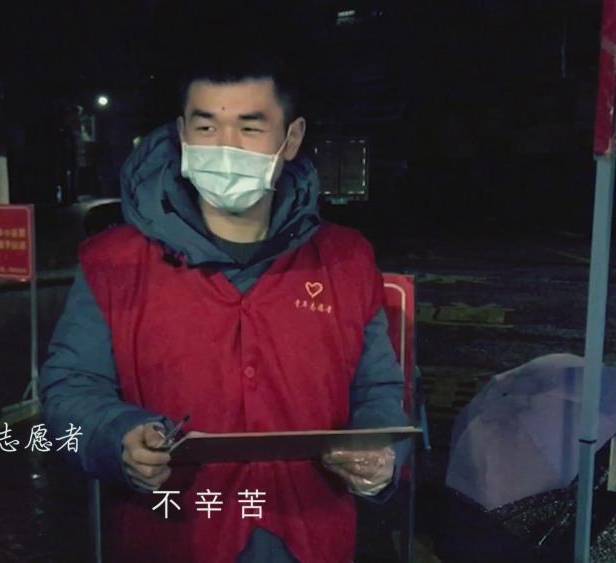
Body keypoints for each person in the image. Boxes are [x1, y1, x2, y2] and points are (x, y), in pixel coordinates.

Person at [39, 44, 412, 563]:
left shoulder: (346, 260)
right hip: (171, 538)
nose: (225, 147)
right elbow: (70, 387)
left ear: (290, 139)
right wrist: (115, 436)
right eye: (206, 126)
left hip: (313, 537)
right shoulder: (113, 263)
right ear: (182, 133)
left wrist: (379, 452)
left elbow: (379, 390)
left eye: (250, 127)